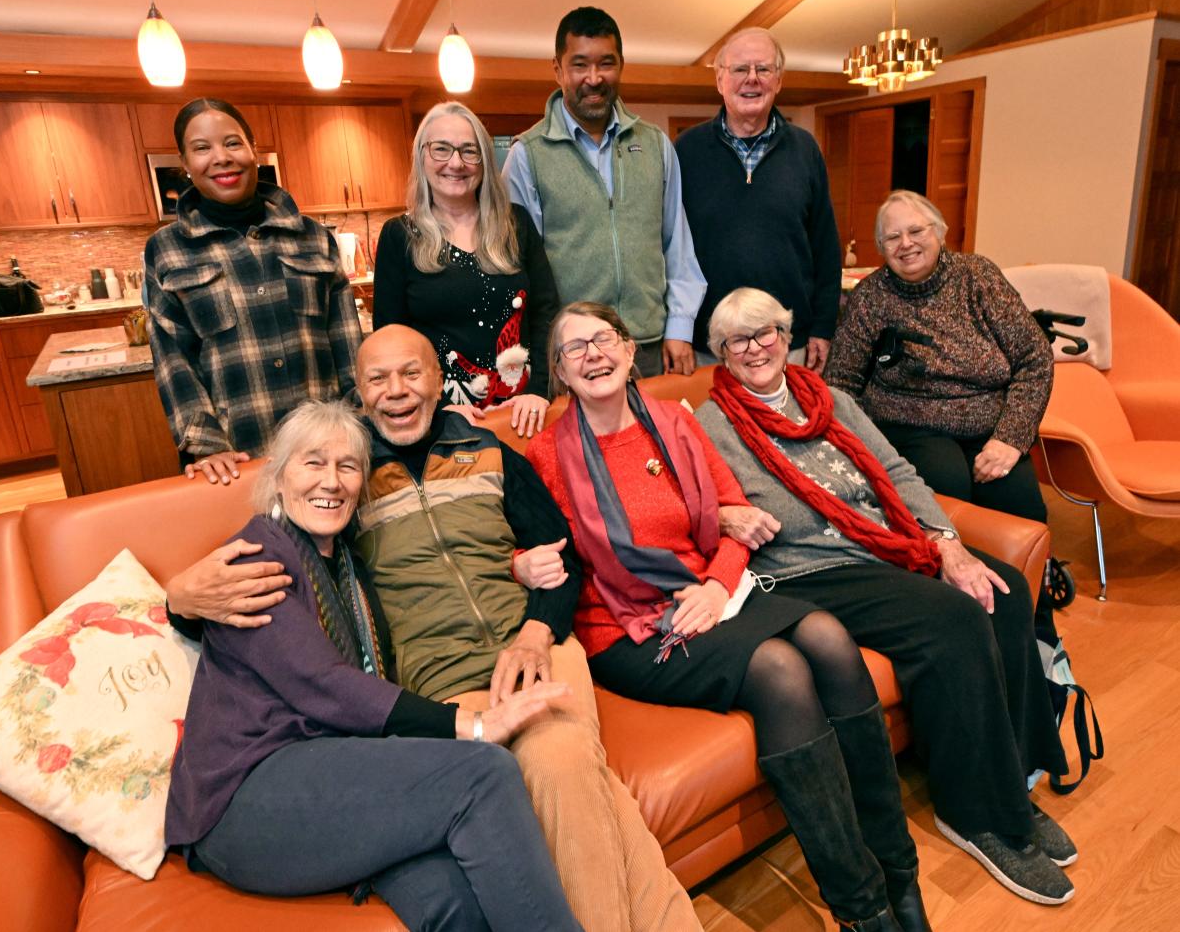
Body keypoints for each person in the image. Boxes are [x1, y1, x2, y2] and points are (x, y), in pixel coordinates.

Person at [166, 324, 703, 932]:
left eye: (412, 373)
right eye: (378, 379)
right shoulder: (323, 516)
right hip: (430, 688)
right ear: (360, 396)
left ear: (437, 379)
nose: (397, 391)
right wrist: (178, 598)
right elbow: (290, 649)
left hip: (530, 650)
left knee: (556, 763)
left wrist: (532, 624)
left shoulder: (484, 456)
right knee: (562, 774)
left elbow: (562, 555)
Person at [526, 302, 928, 932]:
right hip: (629, 627)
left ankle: (898, 874)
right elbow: (534, 548)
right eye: (574, 348)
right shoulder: (546, 455)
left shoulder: (675, 424)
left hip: (709, 592)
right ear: (559, 372)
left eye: (603, 339)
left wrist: (716, 587)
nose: (593, 355)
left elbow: (735, 514)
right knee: (778, 668)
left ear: (631, 350)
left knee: (828, 635)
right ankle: (864, 910)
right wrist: (525, 564)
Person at [695, 287, 1077, 907]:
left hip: (886, 544)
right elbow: (698, 504)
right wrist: (729, 515)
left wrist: (945, 540)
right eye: (738, 340)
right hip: (809, 571)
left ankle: (1014, 783)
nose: (756, 347)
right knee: (955, 618)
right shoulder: (710, 424)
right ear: (722, 353)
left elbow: (896, 470)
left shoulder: (831, 398)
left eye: (765, 331)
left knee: (1002, 593)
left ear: (786, 333)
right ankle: (976, 814)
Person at [165, 400, 580, 930]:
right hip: (246, 800)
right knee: (485, 773)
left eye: (348, 466)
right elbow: (324, 685)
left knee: (454, 900)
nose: (332, 481)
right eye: (313, 463)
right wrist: (471, 725)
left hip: (335, 775)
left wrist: (515, 568)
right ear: (278, 477)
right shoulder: (256, 556)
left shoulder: (348, 564)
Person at [146, 98, 361, 485]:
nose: (220, 158)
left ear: (252, 149)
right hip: (237, 458)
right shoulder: (167, 248)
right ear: (184, 162)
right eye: (202, 148)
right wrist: (207, 445)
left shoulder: (312, 236)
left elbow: (346, 340)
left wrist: (358, 420)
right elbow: (172, 357)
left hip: (328, 448)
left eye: (232, 143)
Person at [826, 189, 1053, 523]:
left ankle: (1020, 574)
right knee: (947, 489)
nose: (906, 243)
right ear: (881, 247)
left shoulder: (979, 277)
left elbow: (1035, 359)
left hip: (990, 428)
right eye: (892, 237)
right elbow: (840, 383)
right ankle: (949, 571)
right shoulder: (870, 297)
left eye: (916, 231)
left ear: (939, 232)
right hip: (911, 427)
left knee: (1021, 508)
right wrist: (869, 448)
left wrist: (1010, 438)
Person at [503, 6, 705, 378]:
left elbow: (678, 245)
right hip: (574, 353)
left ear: (621, 65)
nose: (594, 78)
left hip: (650, 347)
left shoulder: (656, 146)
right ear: (558, 69)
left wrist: (680, 328)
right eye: (580, 65)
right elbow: (521, 270)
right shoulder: (527, 155)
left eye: (606, 64)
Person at [374, 102, 559, 438]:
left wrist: (540, 392)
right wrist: (439, 405)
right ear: (422, 156)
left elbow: (547, 312)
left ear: (485, 161)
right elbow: (390, 343)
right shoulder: (398, 236)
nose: (455, 163)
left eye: (469, 151)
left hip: (526, 415)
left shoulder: (516, 224)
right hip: (445, 421)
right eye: (441, 149)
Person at [675, 27, 841, 373]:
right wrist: (676, 330)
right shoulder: (686, 151)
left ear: (778, 80)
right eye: (740, 69)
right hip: (709, 345)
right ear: (720, 80)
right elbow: (669, 248)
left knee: (787, 427)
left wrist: (823, 326)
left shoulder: (805, 149)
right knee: (711, 428)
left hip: (786, 344)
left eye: (763, 69)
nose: (752, 79)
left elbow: (825, 246)